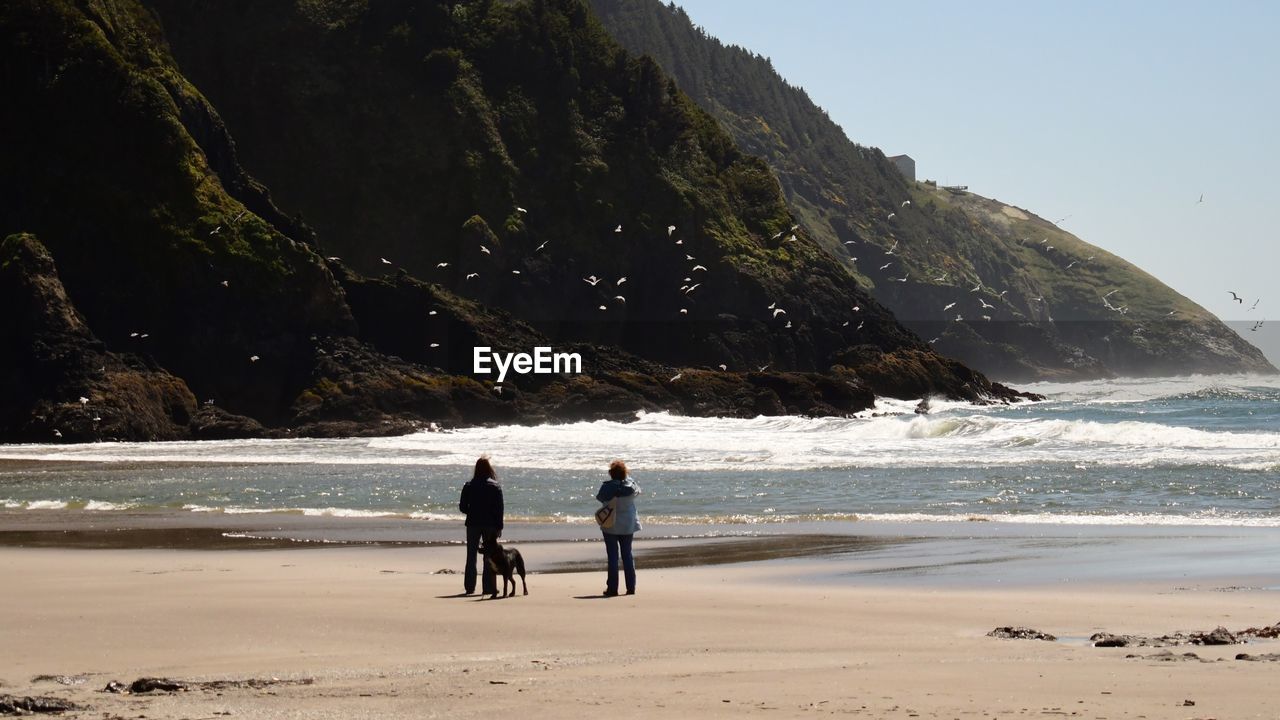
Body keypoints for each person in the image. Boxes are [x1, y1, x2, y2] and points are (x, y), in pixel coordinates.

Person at [459, 457, 504, 596]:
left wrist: (472, 512)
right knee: (488, 556)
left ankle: (469, 587)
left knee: (471, 555)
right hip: (490, 524)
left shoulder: (468, 486)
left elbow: (462, 507)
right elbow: (499, 509)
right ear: (489, 469)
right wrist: (499, 526)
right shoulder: (495, 486)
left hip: (473, 523)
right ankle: (488, 587)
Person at [596, 459, 641, 596]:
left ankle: (612, 588)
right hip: (628, 524)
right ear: (625, 473)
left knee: (613, 557)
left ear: (611, 473)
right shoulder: (631, 487)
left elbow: (600, 498)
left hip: (610, 523)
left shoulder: (606, 487)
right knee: (627, 555)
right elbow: (638, 491)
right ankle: (631, 587)